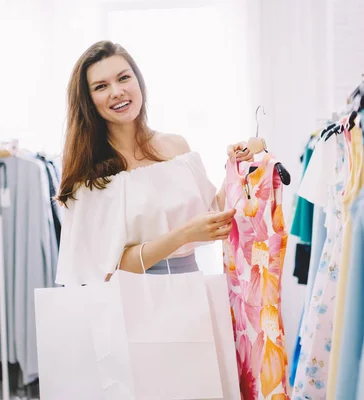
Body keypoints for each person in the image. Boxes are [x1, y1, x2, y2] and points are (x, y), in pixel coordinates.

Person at [55, 40, 252, 286]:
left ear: (139, 81)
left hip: (192, 291)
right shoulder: (90, 175)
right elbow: (106, 270)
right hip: (133, 304)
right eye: (101, 86)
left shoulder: (177, 147)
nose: (116, 91)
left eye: (124, 78)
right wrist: (184, 235)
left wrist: (235, 167)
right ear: (88, 100)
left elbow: (211, 212)